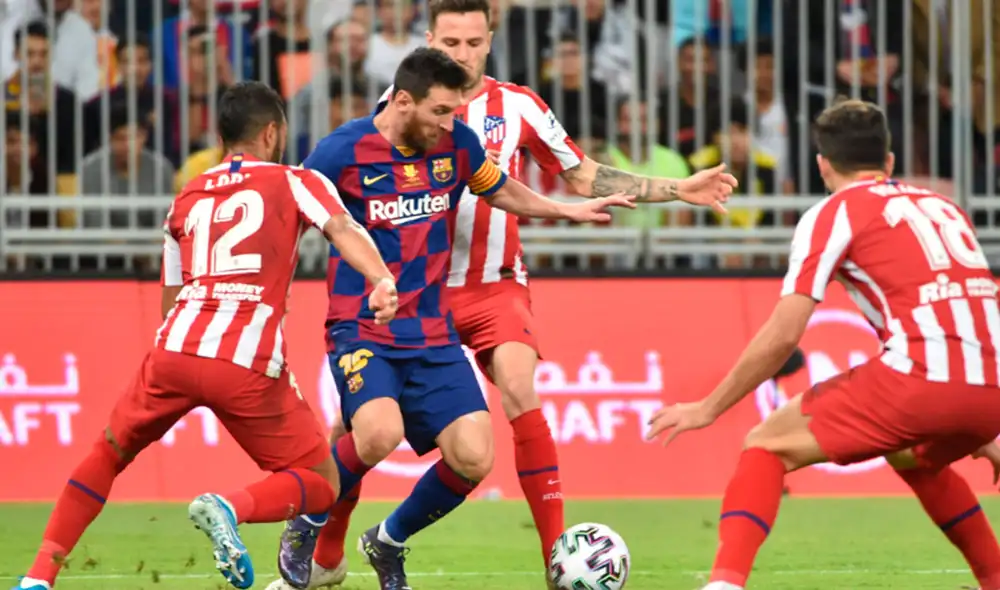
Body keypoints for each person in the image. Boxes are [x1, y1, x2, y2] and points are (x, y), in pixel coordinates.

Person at [274, 2, 738, 587]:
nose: (462, 54)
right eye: (450, 43)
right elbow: (331, 200)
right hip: (418, 289)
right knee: (361, 431)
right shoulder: (402, 111)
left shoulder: (513, 108)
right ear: (428, 42)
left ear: (490, 41)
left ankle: (556, 560)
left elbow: (577, 174)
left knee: (516, 390)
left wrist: (673, 189)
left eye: (473, 43)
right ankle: (325, 553)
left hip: (492, 283)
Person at [11, 81, 400, 590]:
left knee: (106, 454)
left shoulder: (186, 196)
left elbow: (171, 297)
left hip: (173, 350)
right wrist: (381, 279)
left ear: (221, 138)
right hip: (244, 359)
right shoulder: (295, 180)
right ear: (272, 132)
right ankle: (227, 508)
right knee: (320, 483)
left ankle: (38, 576)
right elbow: (343, 228)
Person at [646, 98, 1000, 590]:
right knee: (911, 456)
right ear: (889, 161)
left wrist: (709, 407)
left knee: (766, 445)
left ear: (822, 165)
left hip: (921, 379)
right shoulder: (945, 208)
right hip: (990, 386)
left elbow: (784, 333)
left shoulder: (834, 213)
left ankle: (724, 584)